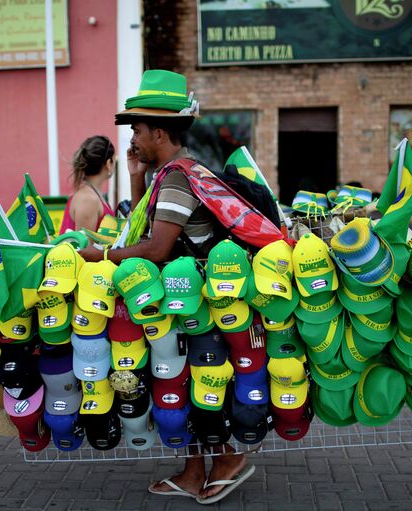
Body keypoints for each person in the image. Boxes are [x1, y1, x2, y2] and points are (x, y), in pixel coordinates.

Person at [79, 70, 251, 503]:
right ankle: (195, 470)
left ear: (159, 131)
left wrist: (100, 258)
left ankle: (226, 459)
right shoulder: (168, 174)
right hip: (178, 302)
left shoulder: (178, 176)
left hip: (195, 307)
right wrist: (136, 176)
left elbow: (154, 249)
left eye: (137, 129)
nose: (133, 138)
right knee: (179, 384)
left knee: (192, 385)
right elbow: (143, 230)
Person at [58, 135, 116, 234]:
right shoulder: (88, 199)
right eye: (114, 160)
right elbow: (84, 247)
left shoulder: (92, 194)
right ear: (108, 163)